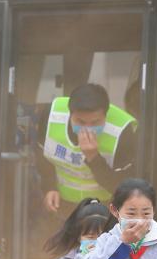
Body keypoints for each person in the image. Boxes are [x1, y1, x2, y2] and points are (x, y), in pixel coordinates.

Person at [38, 83, 136, 216]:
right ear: (70, 114)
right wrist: (49, 187)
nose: (87, 129)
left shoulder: (123, 131)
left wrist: (93, 158)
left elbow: (121, 188)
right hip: (62, 205)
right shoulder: (51, 116)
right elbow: (42, 156)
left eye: (95, 122)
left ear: (105, 116)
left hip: (103, 209)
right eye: (81, 122)